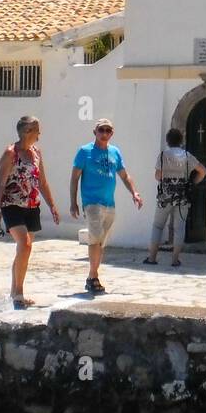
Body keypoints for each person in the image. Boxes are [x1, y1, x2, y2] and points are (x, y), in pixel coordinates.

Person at [0, 116, 59, 309]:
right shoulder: (11, 153)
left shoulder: (36, 152)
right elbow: (1, 184)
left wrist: (52, 206)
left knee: (24, 250)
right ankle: (18, 294)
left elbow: (43, 182)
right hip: (11, 205)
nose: (40, 133)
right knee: (25, 245)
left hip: (31, 205)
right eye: (37, 129)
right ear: (27, 132)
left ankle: (15, 291)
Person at [70, 118, 142, 294]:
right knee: (95, 238)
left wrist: (134, 192)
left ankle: (92, 276)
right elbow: (75, 178)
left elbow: (124, 175)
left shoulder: (115, 152)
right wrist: (73, 202)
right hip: (92, 202)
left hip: (109, 203)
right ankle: (93, 277)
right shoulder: (84, 152)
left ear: (112, 133)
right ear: (95, 132)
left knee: (101, 241)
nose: (104, 133)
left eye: (108, 130)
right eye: (101, 130)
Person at [145, 128, 206, 267]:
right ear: (181, 141)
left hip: (165, 196)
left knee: (158, 226)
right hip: (182, 197)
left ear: (167, 141)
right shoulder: (187, 155)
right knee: (179, 228)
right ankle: (174, 260)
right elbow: (203, 171)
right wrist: (193, 181)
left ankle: (152, 258)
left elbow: (157, 176)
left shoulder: (163, 155)